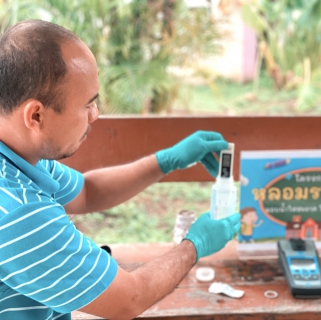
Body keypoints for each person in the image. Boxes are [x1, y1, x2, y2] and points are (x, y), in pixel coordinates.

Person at [0, 19, 241, 320]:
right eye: (87, 104)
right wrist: (195, 245)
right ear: (35, 115)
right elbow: (128, 298)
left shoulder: (19, 155)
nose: (95, 114)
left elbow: (87, 192)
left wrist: (166, 160)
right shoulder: (19, 212)